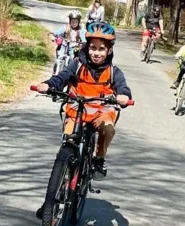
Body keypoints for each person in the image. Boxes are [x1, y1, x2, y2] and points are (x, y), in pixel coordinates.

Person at [33, 21, 132, 184]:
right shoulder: (77, 64)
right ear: (87, 47)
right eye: (93, 48)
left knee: (108, 129)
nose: (96, 53)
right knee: (67, 143)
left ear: (109, 50)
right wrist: (48, 85)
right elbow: (62, 77)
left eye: (101, 49)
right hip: (77, 111)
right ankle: (57, 185)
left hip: (101, 113)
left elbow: (123, 88)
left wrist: (123, 97)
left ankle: (98, 160)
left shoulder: (114, 72)